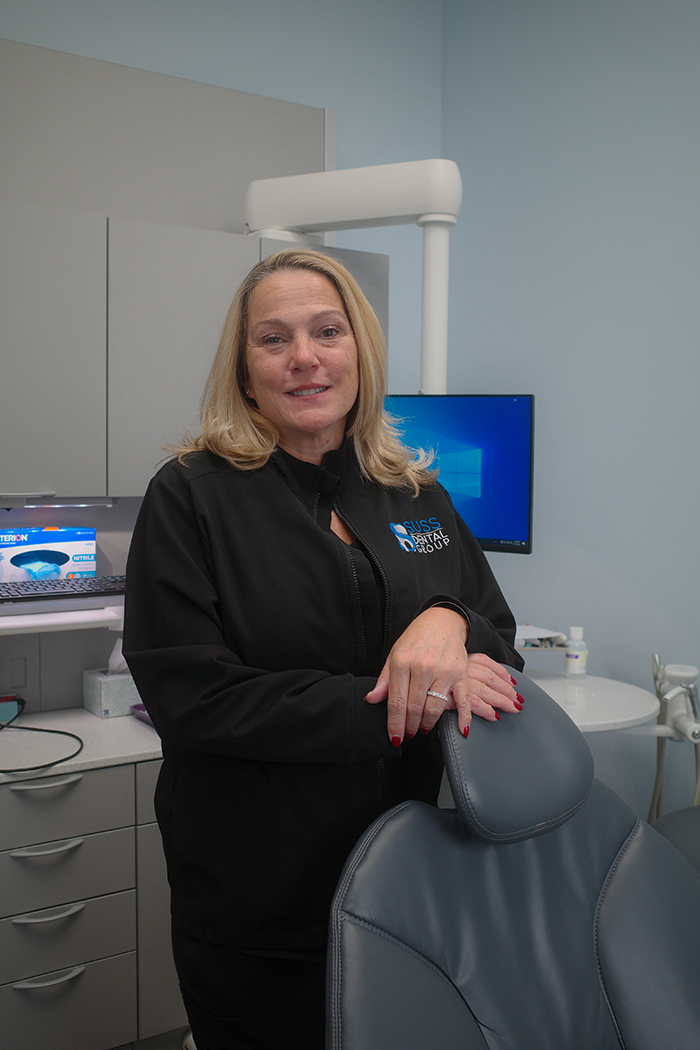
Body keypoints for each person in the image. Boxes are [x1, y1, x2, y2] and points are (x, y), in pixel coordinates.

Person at [123, 248, 524, 1050]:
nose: (304, 356)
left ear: (359, 353)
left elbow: (498, 639)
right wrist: (404, 705)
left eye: (327, 331)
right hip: (258, 896)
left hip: (412, 875)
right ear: (244, 370)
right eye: (273, 339)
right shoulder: (191, 496)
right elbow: (194, 698)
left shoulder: (416, 493)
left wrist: (446, 616)